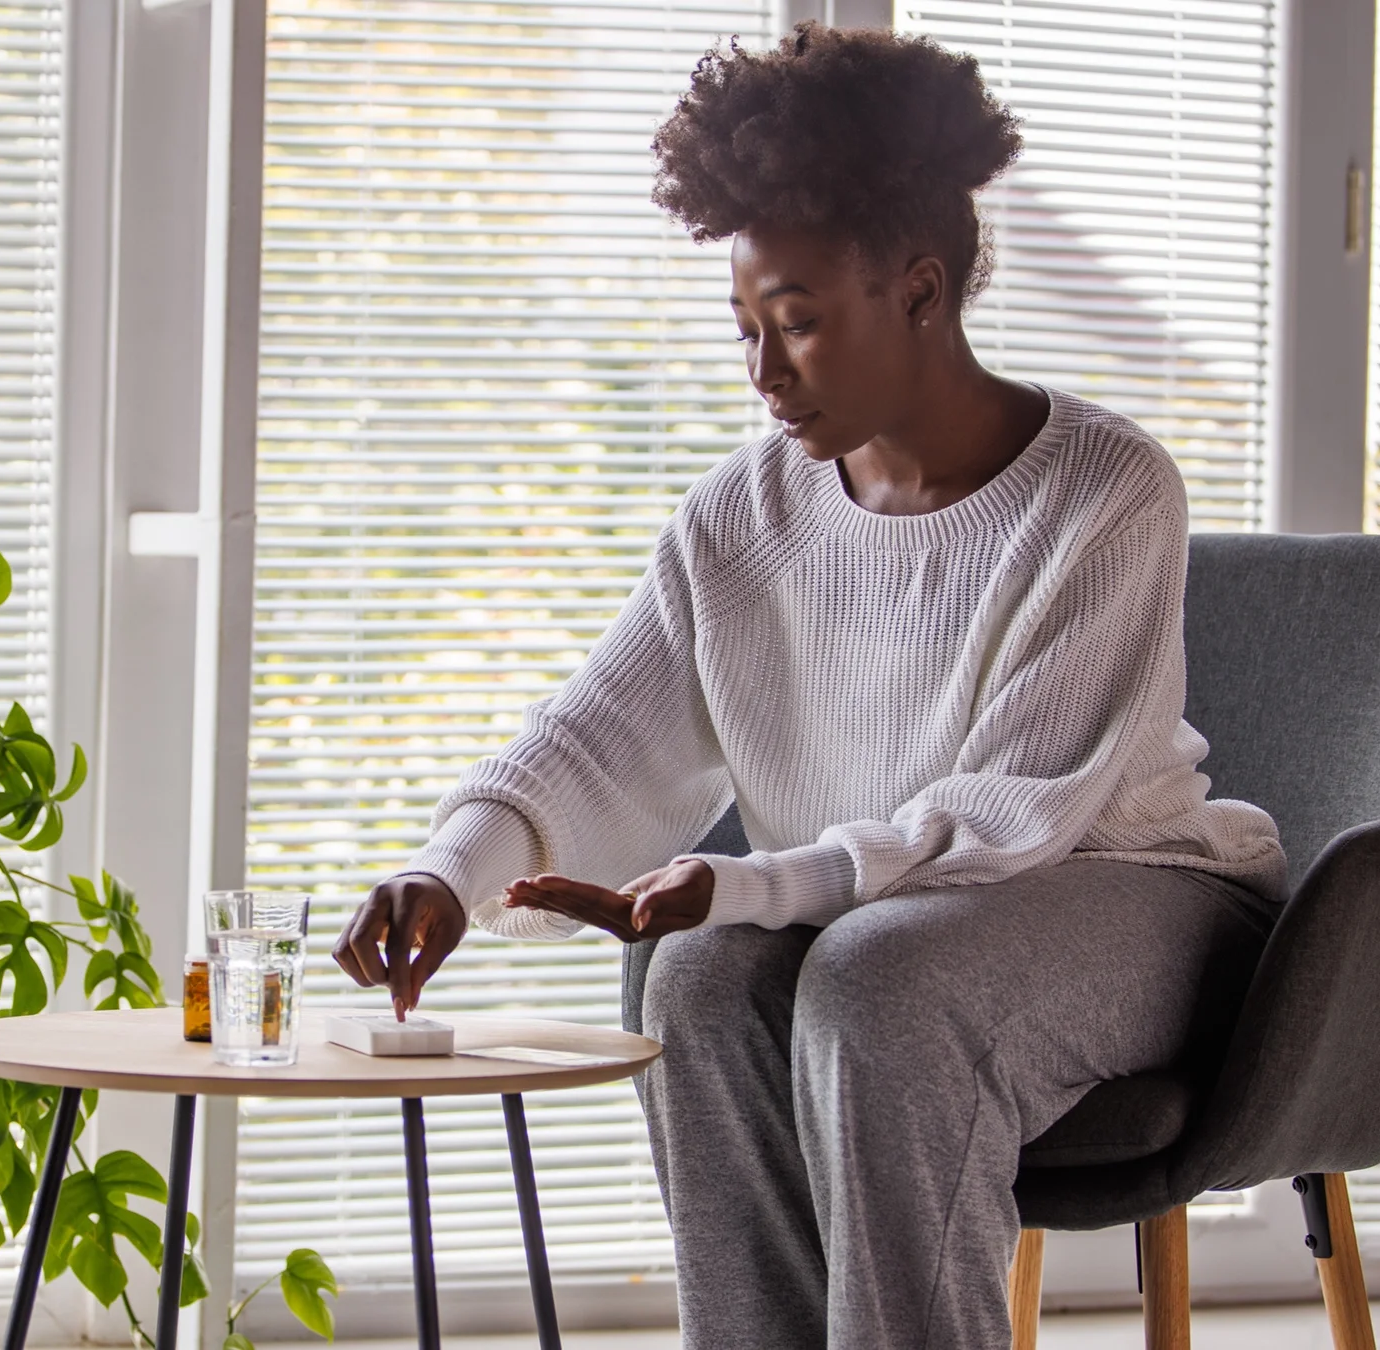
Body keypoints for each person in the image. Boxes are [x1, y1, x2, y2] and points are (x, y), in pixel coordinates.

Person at [329, 23, 1288, 1349]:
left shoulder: (1104, 491)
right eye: (745, 329)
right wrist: (449, 864)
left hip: (1150, 909)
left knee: (877, 983)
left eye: (798, 325)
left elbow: (1001, 819)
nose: (764, 373)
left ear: (921, 288)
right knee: (700, 978)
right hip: (885, 929)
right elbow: (599, 738)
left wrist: (752, 878)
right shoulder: (739, 518)